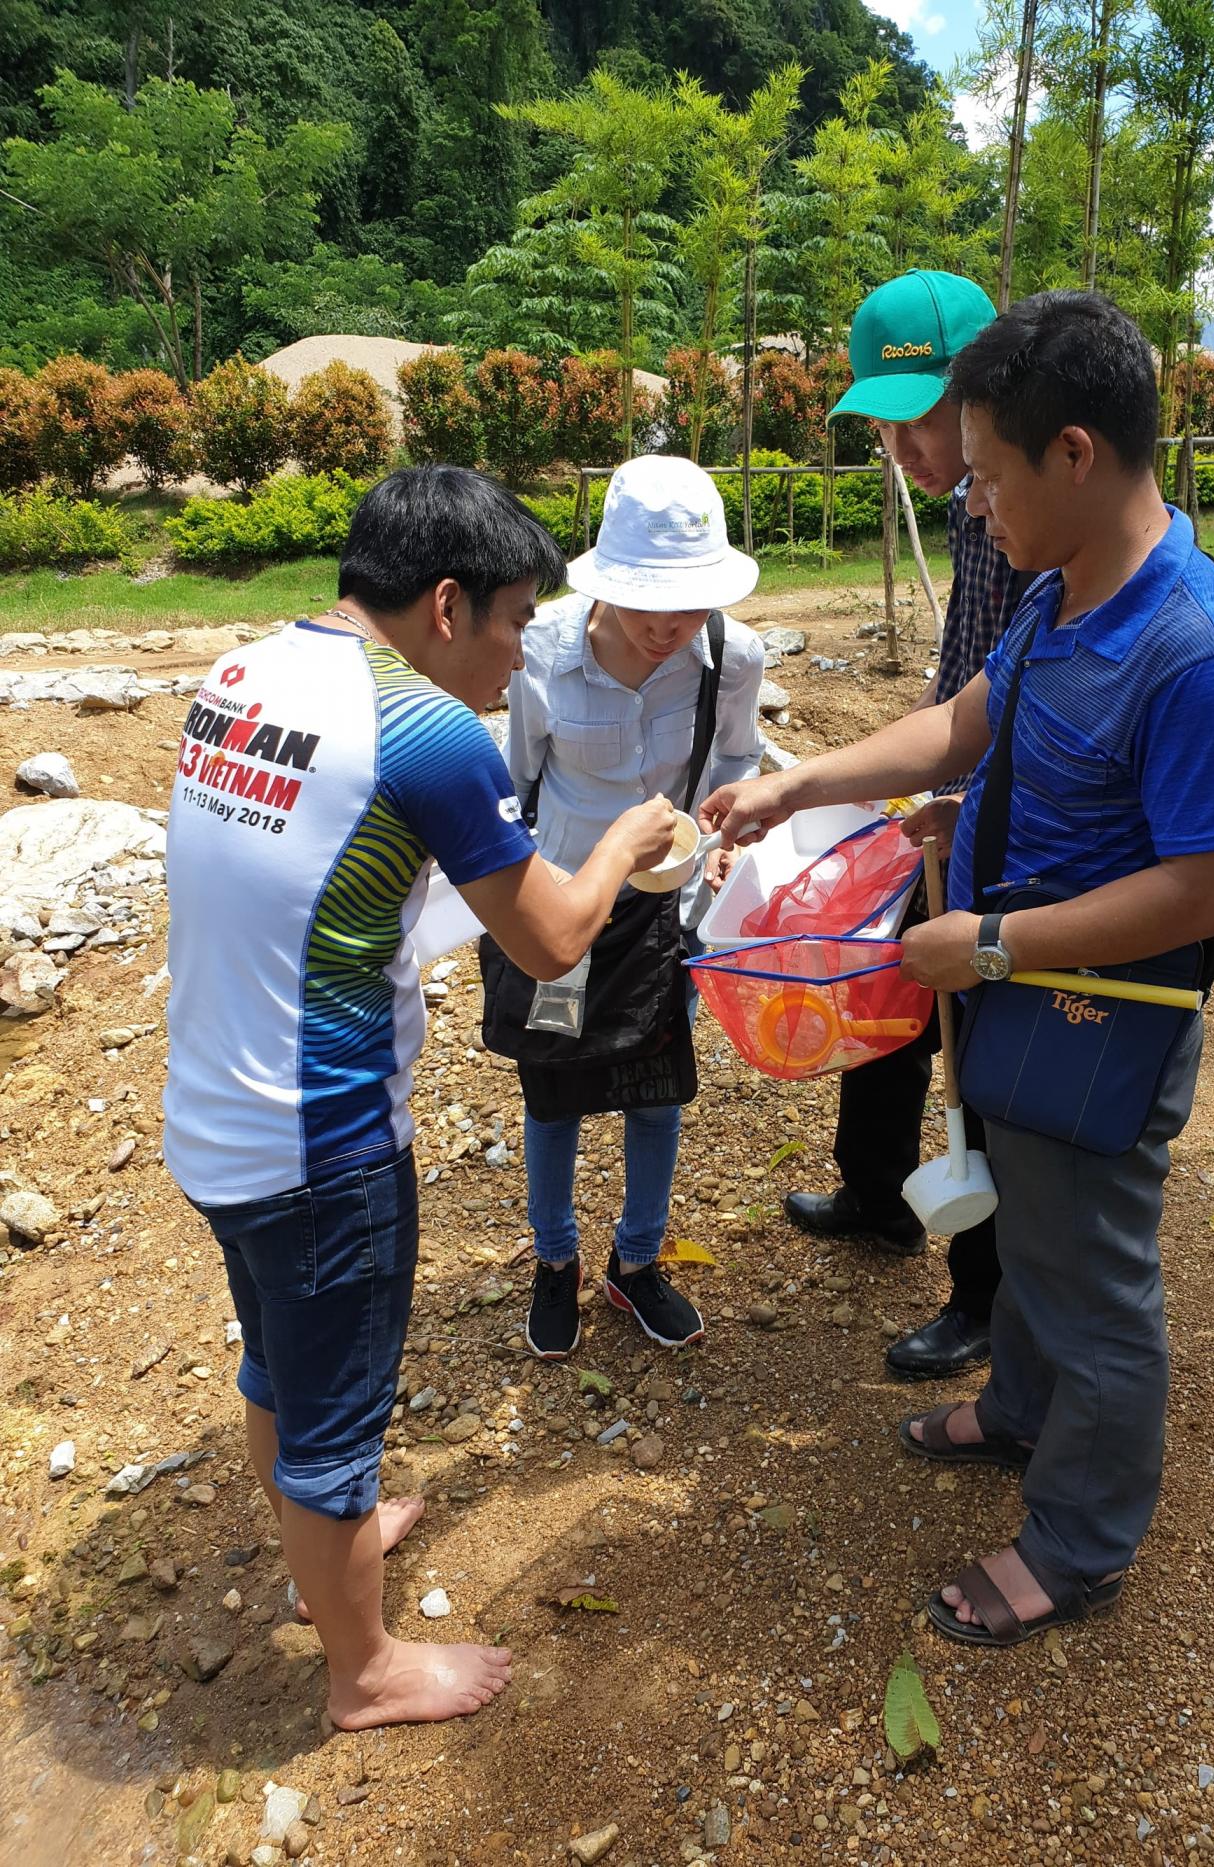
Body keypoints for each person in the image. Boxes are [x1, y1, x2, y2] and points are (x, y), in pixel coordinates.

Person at [702, 291, 1214, 1647]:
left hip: (1098, 1012)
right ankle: (1020, 1408)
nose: (974, 505)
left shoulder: (1198, 648)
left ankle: (1080, 1540)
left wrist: (1001, 940)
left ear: (1073, 454)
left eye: (992, 473)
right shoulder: (1062, 588)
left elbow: (1209, 887)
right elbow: (971, 719)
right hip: (1019, 991)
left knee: (1095, 1276)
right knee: (1026, 1225)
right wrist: (803, 788)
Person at [162, 466, 678, 1729]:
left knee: (277, 1363)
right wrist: (621, 843)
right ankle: (365, 1667)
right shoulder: (428, 730)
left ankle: (321, 1541)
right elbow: (552, 938)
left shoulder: (238, 677)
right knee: (334, 1413)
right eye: (510, 621)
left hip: (212, 1115)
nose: (518, 654)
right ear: (446, 604)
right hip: (320, 1139)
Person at [783, 268, 1030, 1383]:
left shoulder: (1024, 513)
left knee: (976, 1053)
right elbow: (960, 695)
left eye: (915, 422)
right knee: (890, 981)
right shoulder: (972, 510)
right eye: (881, 429)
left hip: (1021, 832)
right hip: (961, 797)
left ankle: (981, 1293)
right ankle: (875, 1192)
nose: (903, 452)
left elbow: (1001, 710)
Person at [505, 454, 765, 1360]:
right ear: (606, 583)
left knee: (659, 1090)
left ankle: (638, 1258)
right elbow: (515, 783)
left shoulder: (731, 655)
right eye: (651, 601)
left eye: (688, 603)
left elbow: (738, 759)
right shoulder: (538, 650)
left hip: (672, 915)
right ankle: (555, 1259)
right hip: (562, 909)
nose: (669, 626)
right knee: (557, 1093)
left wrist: (724, 827)